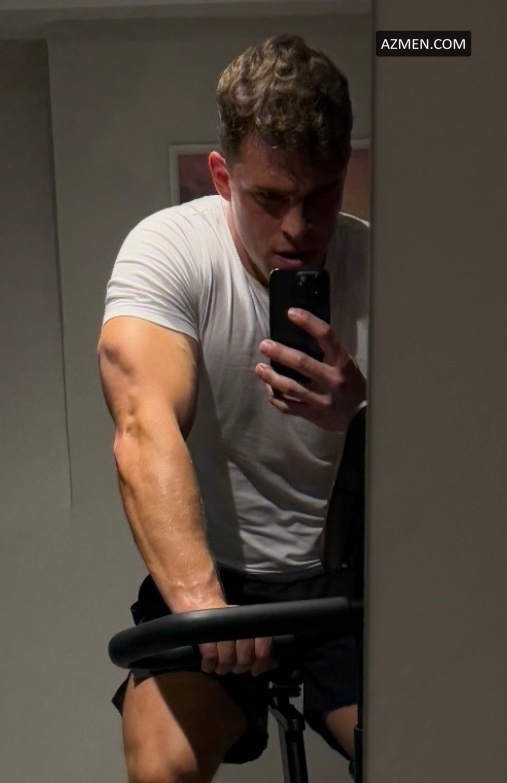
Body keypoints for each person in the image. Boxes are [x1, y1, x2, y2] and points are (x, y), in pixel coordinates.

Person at [98, 33, 369, 783]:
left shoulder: (383, 266)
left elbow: (464, 451)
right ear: (222, 177)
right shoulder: (168, 252)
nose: (298, 229)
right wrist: (199, 602)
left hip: (349, 582)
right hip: (220, 578)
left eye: (320, 197)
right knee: (163, 768)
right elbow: (142, 426)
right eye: (271, 199)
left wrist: (363, 410)